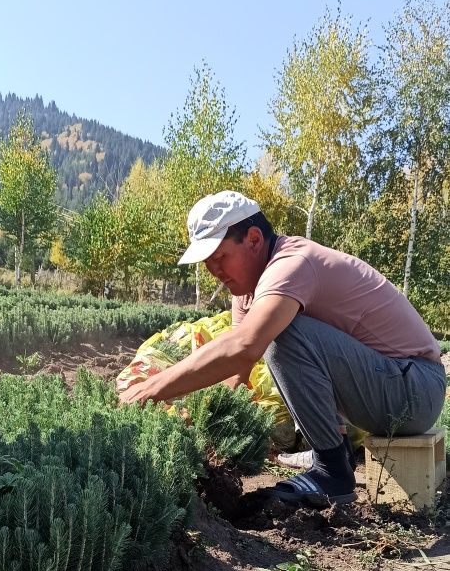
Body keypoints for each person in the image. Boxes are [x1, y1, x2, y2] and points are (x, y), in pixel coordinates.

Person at [119, 190, 446, 505]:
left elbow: (245, 346)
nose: (215, 272)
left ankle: (331, 473)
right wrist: (213, 438)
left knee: (283, 333)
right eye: (207, 262)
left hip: (415, 389)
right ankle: (337, 452)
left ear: (254, 240)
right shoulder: (247, 289)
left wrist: (149, 390)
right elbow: (239, 371)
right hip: (388, 385)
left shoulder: (291, 265)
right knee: (279, 333)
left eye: (220, 257)